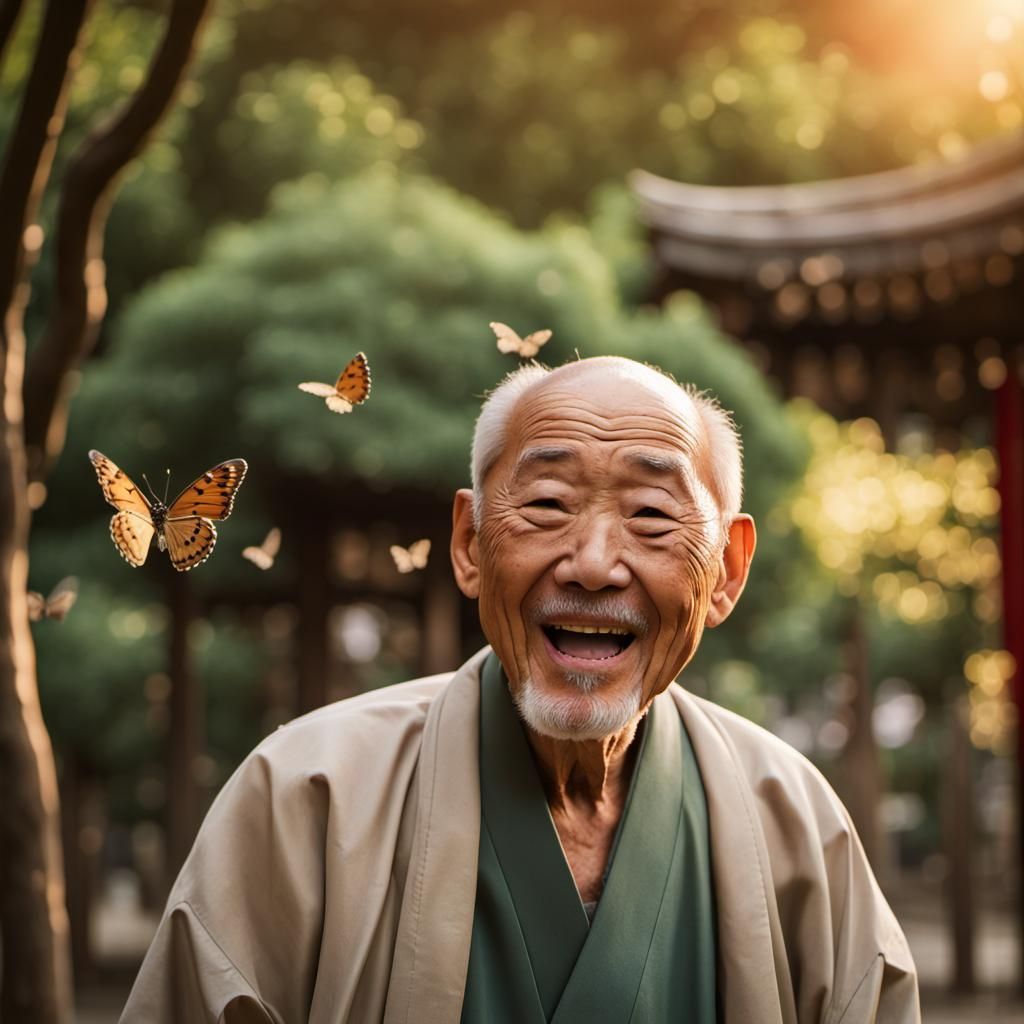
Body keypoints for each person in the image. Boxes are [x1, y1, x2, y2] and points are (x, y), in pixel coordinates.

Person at [121, 356, 920, 1023]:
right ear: (469, 542)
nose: (594, 564)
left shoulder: (797, 829)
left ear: (727, 572)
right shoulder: (306, 796)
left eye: (650, 515)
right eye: (546, 505)